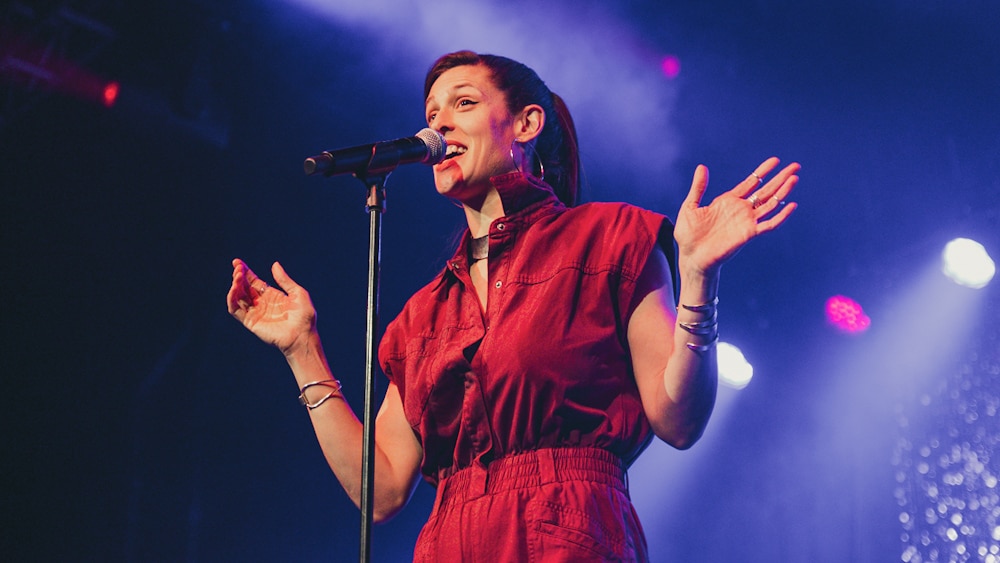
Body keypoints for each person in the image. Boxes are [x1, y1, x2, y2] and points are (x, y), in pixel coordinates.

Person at [227, 50, 799, 561]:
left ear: (527, 122)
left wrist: (698, 278)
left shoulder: (610, 238)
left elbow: (678, 421)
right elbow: (381, 492)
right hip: (449, 541)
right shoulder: (423, 316)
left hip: (565, 532)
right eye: (430, 115)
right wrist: (303, 351)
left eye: (464, 103)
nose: (439, 124)